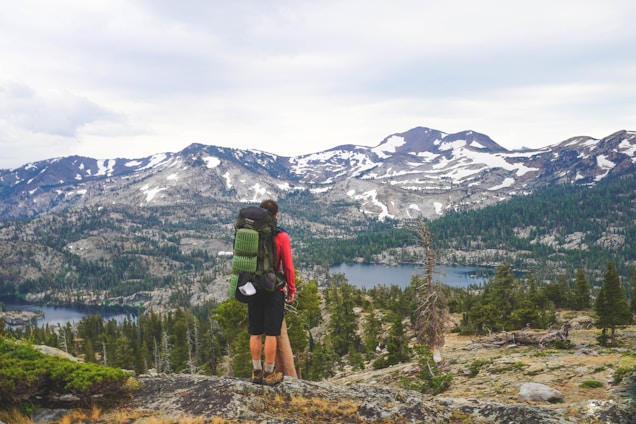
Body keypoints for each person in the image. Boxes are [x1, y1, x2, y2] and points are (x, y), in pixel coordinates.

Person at [249, 199, 296, 385]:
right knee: (271, 332)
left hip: (252, 287)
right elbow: (289, 267)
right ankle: (269, 374)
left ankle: (256, 372)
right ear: (276, 215)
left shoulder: (251, 233)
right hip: (273, 288)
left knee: (255, 332)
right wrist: (291, 288)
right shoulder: (281, 236)